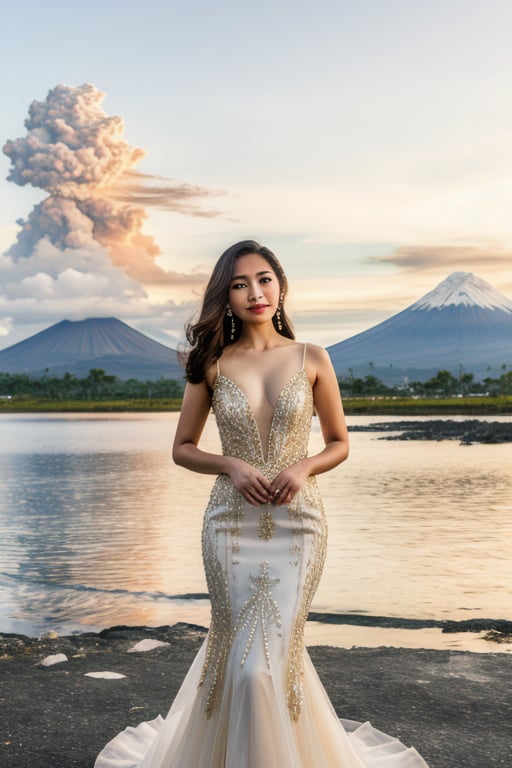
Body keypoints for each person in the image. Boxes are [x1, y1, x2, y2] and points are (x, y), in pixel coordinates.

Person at [95, 241, 430, 767]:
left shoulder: (312, 357)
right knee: (240, 655)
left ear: (281, 285)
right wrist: (230, 464)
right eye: (240, 283)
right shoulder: (211, 364)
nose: (256, 292)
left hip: (300, 526)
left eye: (265, 279)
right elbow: (182, 448)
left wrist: (302, 467)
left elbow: (339, 441)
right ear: (224, 298)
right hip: (230, 526)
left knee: (274, 657)